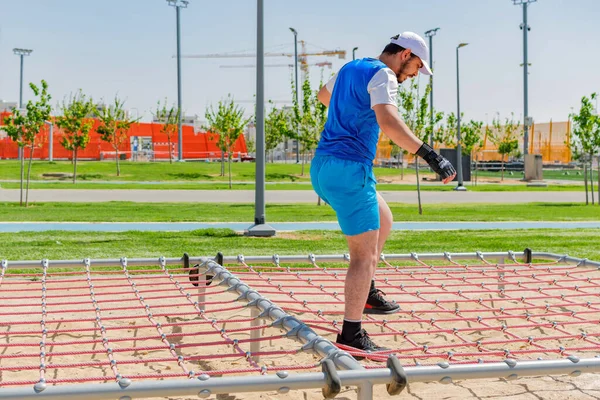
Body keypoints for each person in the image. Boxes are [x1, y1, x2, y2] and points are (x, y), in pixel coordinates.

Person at [311, 32, 457, 353]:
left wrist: (352, 112)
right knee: (363, 256)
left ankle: (368, 293)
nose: (416, 74)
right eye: (417, 66)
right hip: (350, 170)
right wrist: (432, 155)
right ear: (405, 54)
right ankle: (351, 334)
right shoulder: (384, 74)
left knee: (384, 219)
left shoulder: (351, 68)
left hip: (322, 167)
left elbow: (324, 95)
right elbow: (389, 122)